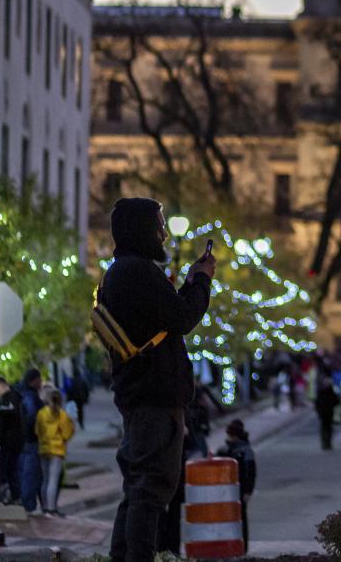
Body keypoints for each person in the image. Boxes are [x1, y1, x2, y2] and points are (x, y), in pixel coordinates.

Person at [103, 198, 215, 562]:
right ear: (141, 229)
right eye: (158, 225)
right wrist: (201, 281)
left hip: (143, 394)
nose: (164, 234)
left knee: (138, 489)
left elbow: (167, 317)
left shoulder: (123, 271)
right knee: (150, 489)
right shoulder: (137, 272)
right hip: (154, 396)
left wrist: (190, 282)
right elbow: (182, 318)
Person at [215, 420, 256, 552]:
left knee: (239, 517)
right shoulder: (229, 450)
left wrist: (247, 491)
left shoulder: (242, 450)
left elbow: (250, 472)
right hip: (231, 489)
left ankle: (241, 546)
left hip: (238, 489)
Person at [35, 387, 75, 517]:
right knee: (53, 480)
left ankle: (45, 507)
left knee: (45, 480)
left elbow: (37, 431)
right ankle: (52, 508)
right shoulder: (63, 416)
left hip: (44, 449)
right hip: (57, 450)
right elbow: (67, 433)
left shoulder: (41, 413)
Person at [17, 368, 45, 514]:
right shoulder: (30, 396)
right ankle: (29, 503)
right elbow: (32, 417)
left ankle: (31, 502)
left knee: (29, 472)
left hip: (27, 439)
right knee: (31, 473)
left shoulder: (25, 394)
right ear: (34, 380)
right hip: (31, 440)